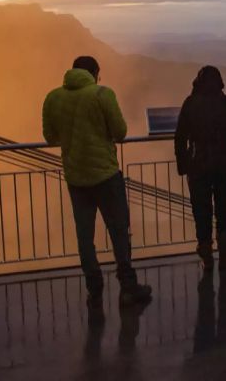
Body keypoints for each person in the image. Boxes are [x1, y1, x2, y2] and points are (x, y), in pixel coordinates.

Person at [42, 56, 152, 312]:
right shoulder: (102, 94)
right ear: (94, 73)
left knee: (85, 236)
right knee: (118, 231)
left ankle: (94, 288)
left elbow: (50, 137)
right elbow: (120, 132)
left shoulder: (53, 98)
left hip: (76, 177)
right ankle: (127, 287)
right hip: (105, 175)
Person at [174, 65, 226, 272]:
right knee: (225, 209)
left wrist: (183, 165)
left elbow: (180, 137)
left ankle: (205, 252)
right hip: (225, 164)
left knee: (201, 210)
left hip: (198, 165)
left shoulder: (190, 104)